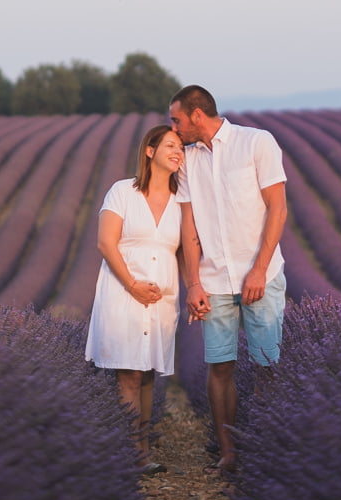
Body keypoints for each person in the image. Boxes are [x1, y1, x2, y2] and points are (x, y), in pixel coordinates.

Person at [169, 84, 287, 474]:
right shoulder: (187, 159)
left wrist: (258, 268)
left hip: (262, 277)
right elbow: (189, 228)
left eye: (176, 119)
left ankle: (268, 447)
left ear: (197, 115)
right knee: (219, 367)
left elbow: (277, 209)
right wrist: (193, 284)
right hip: (215, 280)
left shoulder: (256, 143)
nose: (174, 127)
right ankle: (229, 451)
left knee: (267, 365)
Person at [85, 123, 183, 474]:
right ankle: (134, 455)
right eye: (170, 145)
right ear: (149, 151)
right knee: (128, 373)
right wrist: (132, 284)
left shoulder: (181, 201)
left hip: (161, 300)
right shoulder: (122, 191)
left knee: (147, 374)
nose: (177, 152)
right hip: (123, 295)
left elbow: (186, 252)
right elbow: (106, 243)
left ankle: (140, 449)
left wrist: (197, 290)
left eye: (181, 148)